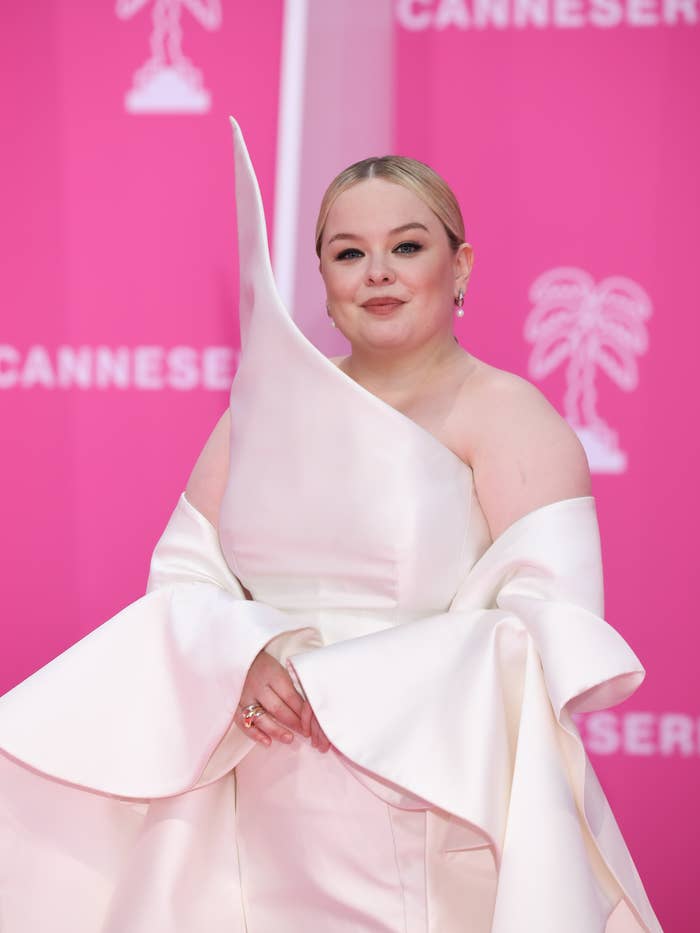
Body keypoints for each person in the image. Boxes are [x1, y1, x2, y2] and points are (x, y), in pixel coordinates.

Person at [0, 117, 662, 933]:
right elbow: (185, 576)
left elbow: (544, 631)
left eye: (408, 246)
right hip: (267, 792)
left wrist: (346, 685)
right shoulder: (264, 409)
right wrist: (249, 653)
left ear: (460, 266)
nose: (377, 272)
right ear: (320, 276)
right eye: (348, 252)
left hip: (433, 806)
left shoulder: (507, 415)